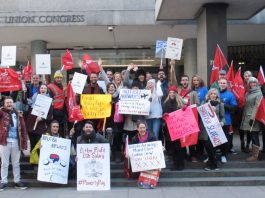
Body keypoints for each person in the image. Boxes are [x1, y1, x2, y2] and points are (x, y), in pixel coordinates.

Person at [0, 96, 28, 191]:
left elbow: (23, 128)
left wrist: (24, 142)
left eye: (10, 102)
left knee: (16, 163)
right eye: (7, 102)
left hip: (16, 141)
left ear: (13, 103)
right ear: (4, 104)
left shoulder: (18, 113)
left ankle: (17, 181)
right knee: (4, 163)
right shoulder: (1, 112)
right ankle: (3, 182)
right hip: (4, 141)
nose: (9, 104)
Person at [200, 88, 225, 171]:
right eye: (212, 94)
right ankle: (212, 163)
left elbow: (222, 117)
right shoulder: (204, 103)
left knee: (213, 147)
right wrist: (209, 109)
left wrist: (222, 122)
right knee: (208, 146)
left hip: (215, 129)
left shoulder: (220, 104)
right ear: (209, 95)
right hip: (206, 129)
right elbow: (200, 113)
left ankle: (212, 165)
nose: (213, 95)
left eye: (215, 94)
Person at [163, 85, 185, 171]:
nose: (172, 94)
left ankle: (181, 164)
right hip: (170, 128)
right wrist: (164, 116)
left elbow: (185, 114)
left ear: (176, 93)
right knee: (173, 147)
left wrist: (184, 109)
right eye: (170, 92)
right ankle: (175, 164)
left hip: (179, 128)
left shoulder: (180, 102)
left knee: (179, 147)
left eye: (173, 92)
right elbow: (164, 114)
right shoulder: (166, 103)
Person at [240, 77, 262, 161]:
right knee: (251, 134)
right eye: (251, 83)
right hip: (246, 116)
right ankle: (255, 152)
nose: (252, 84)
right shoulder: (248, 92)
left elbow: (257, 106)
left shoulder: (258, 93)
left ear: (257, 83)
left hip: (253, 118)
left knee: (254, 135)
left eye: (254, 83)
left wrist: (253, 118)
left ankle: (255, 156)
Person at [178, 75, 200, 162]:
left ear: (188, 82)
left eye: (186, 80)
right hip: (181, 118)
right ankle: (183, 155)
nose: (184, 82)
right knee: (182, 137)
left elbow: (197, 104)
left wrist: (189, 107)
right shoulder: (178, 92)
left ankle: (193, 155)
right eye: (183, 80)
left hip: (190, 118)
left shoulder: (193, 92)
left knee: (191, 137)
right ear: (181, 82)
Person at [26, 84, 53, 151]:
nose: (43, 89)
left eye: (45, 88)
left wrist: (42, 118)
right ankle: (32, 160)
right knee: (32, 145)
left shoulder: (49, 102)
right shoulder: (34, 99)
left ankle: (38, 161)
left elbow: (50, 115)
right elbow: (27, 106)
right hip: (31, 125)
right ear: (39, 90)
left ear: (47, 91)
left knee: (39, 146)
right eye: (41, 88)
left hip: (40, 127)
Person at [218, 78, 237, 162]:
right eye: (221, 83)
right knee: (216, 139)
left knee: (225, 139)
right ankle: (213, 154)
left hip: (226, 121)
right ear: (218, 84)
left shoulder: (230, 95)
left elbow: (234, 107)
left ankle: (223, 155)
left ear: (227, 84)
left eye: (224, 83)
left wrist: (223, 104)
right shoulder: (215, 93)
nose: (222, 84)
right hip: (214, 121)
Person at [105, 82, 124, 162]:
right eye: (109, 87)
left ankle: (118, 155)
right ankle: (112, 154)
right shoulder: (104, 98)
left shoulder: (119, 97)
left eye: (112, 87)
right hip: (108, 121)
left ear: (115, 88)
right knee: (110, 138)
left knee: (118, 138)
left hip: (118, 122)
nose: (111, 88)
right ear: (107, 89)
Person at [48, 70, 67, 137]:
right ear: (54, 78)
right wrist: (51, 113)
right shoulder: (50, 87)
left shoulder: (63, 87)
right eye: (57, 78)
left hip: (62, 113)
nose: (59, 79)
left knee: (61, 131)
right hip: (54, 113)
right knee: (53, 131)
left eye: (60, 78)